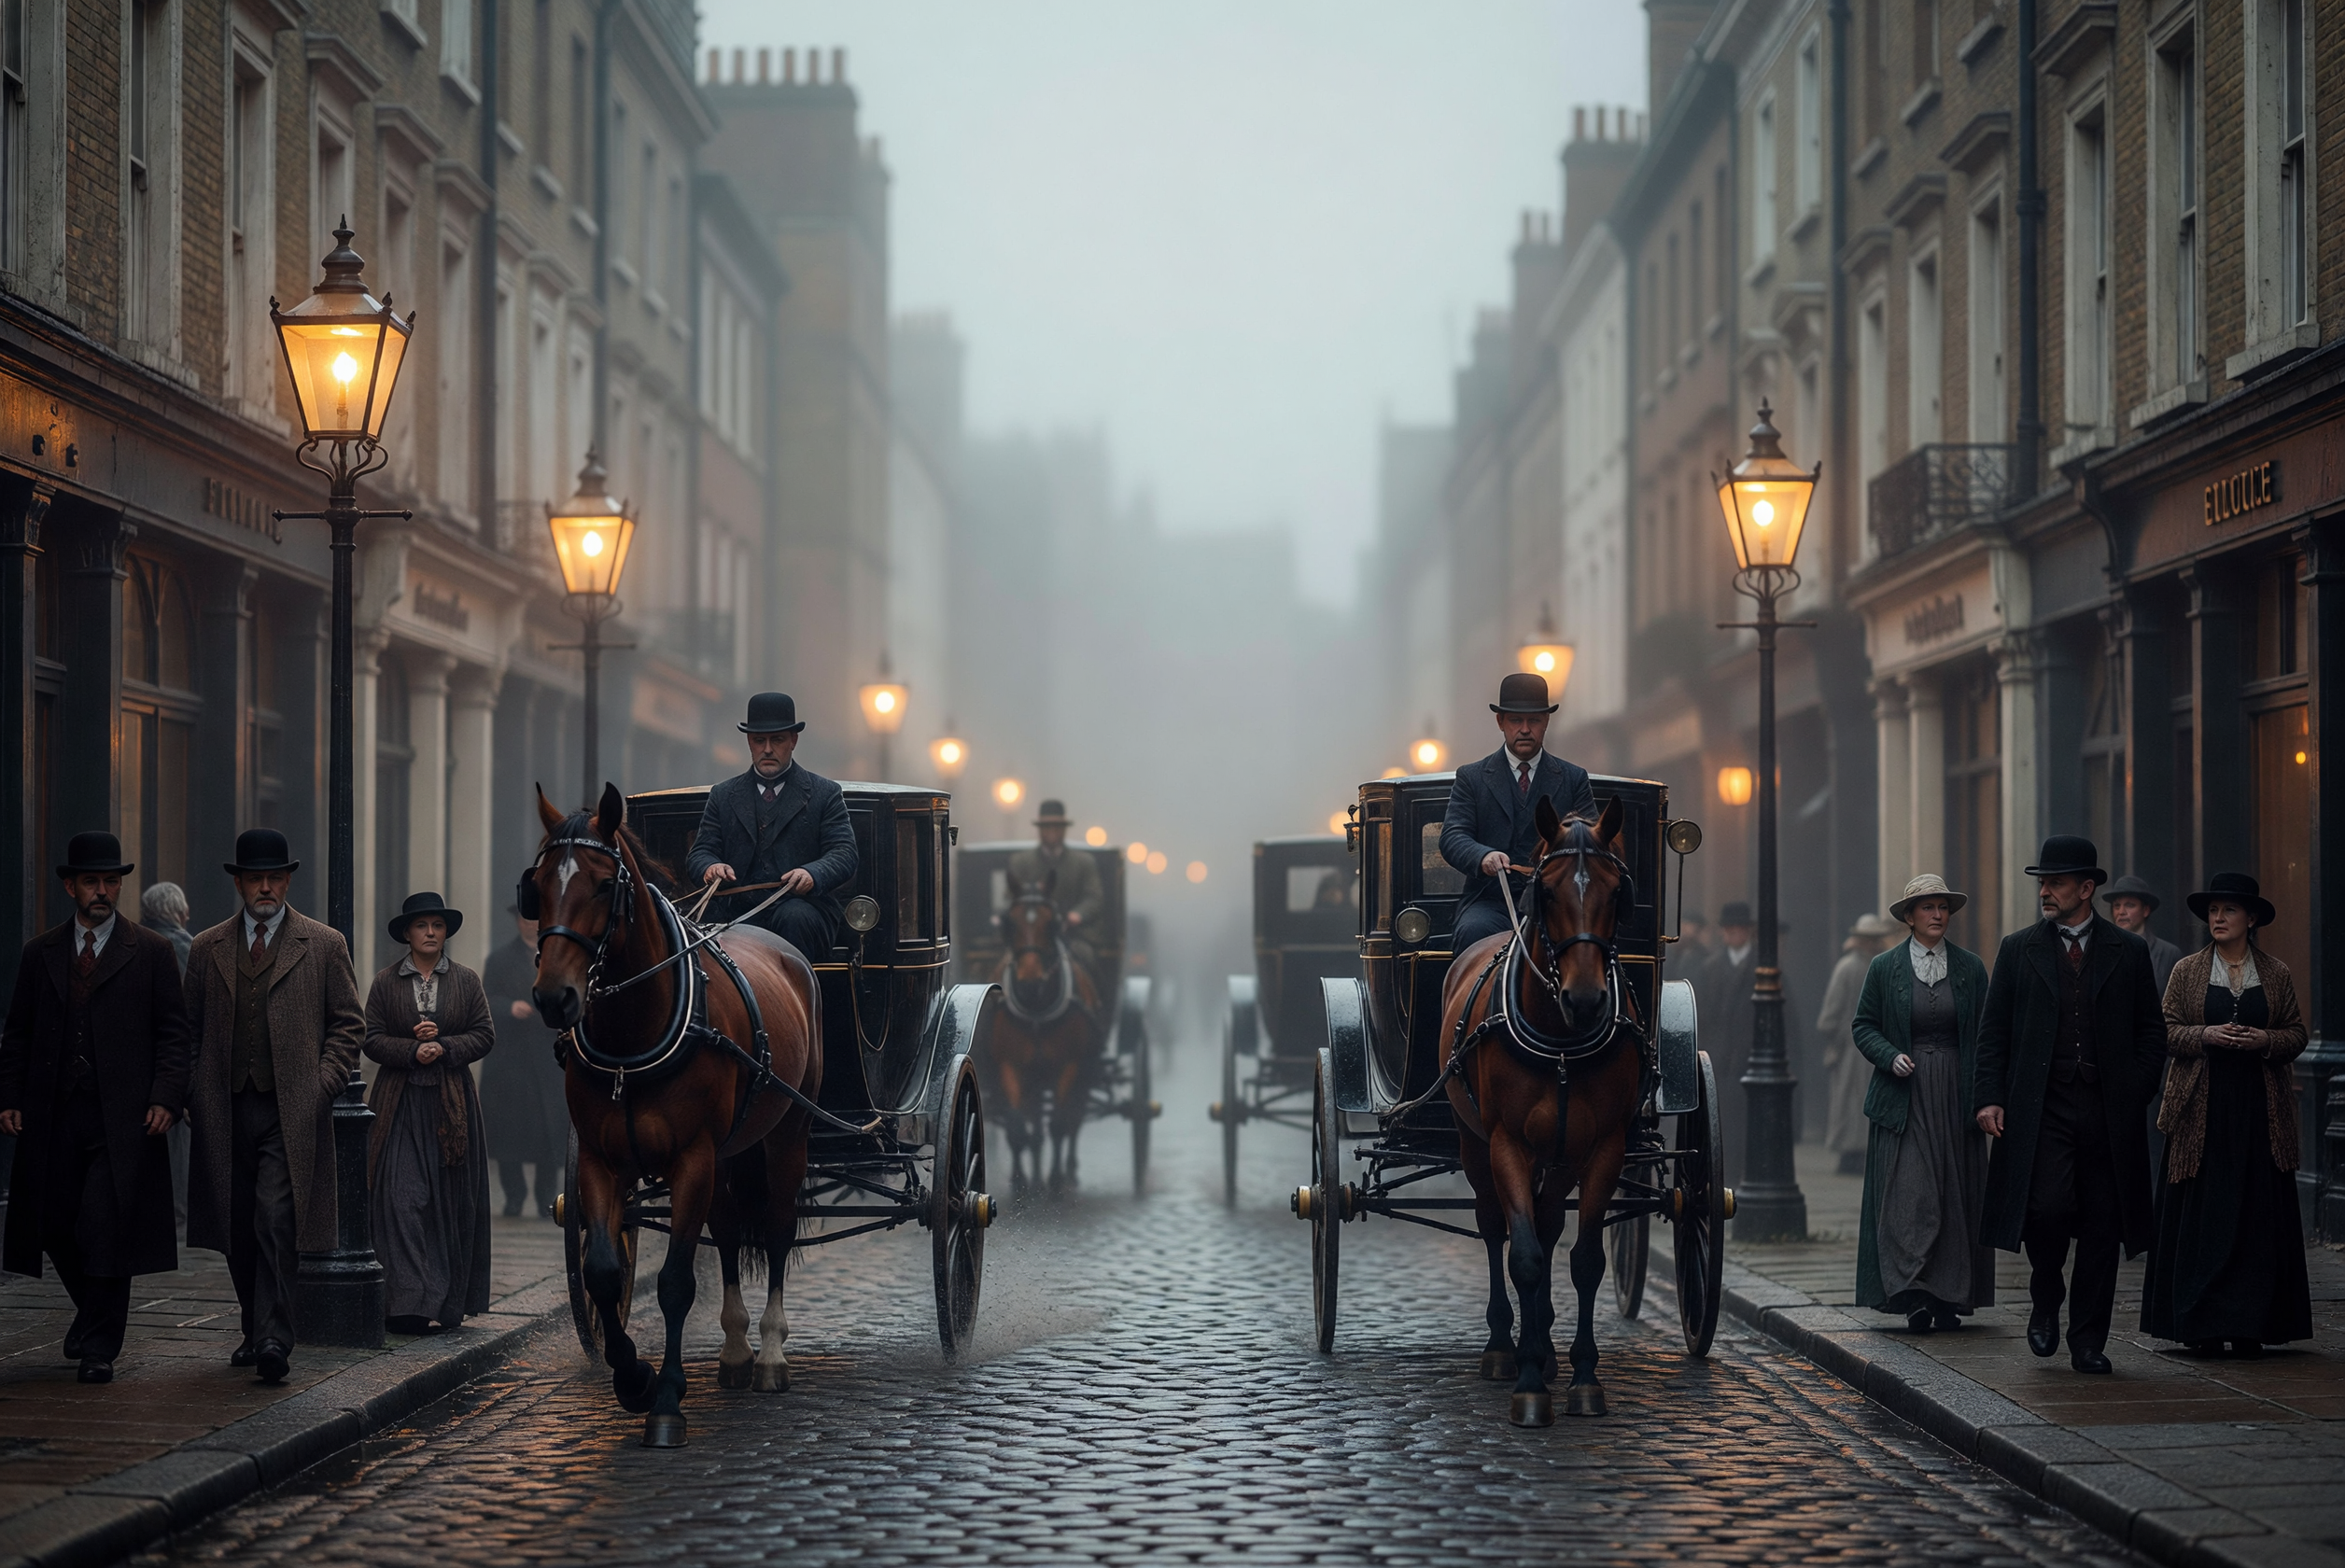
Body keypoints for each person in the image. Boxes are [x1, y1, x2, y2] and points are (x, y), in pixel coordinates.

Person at [0, 833, 190, 1384]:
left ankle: (101, 1346)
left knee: (105, 1225)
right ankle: (91, 1312)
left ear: (120, 886)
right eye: (91, 882)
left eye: (111, 881)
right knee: (55, 1223)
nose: (102, 891)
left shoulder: (150, 952)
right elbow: (19, 1034)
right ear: (70, 887)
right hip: (54, 1113)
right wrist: (8, 1097)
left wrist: (166, 1097)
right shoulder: (41, 953)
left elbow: (175, 1036)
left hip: (124, 1118)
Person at [1973, 835, 2167, 1375]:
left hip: (2110, 1112)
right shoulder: (2019, 948)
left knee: (2105, 1224)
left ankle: (2088, 1341)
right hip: (2042, 1108)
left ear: (2087, 889)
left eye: (2055, 882)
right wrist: (1989, 1096)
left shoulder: (2127, 952)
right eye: (2042, 882)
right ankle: (2045, 1293)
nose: (2045, 891)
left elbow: (2152, 1032)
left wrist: (2136, 1089)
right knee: (2047, 1210)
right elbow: (1995, 1034)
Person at [183, 829, 365, 1384]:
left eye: (275, 877)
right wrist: (194, 1089)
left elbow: (348, 1025)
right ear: (238, 883)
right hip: (223, 1108)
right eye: (255, 878)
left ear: (288, 880)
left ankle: (274, 1338)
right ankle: (252, 1324)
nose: (266, 887)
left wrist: (321, 1084)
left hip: (290, 1111)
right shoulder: (206, 946)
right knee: (236, 1223)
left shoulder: (323, 943)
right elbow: (186, 1031)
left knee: (276, 1218)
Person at [2141, 872, 2312, 1356]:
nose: (2218, 918)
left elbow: (2296, 1033)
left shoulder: (2274, 972)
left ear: (2250, 919)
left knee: (2255, 1214)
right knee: (2206, 1214)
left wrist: (2265, 1041)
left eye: (2229, 910)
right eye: (2213, 911)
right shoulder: (2188, 971)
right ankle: (2203, 1324)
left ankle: (2250, 1322)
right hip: (2202, 1109)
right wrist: (2206, 1036)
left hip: (2260, 1111)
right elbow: (2166, 1031)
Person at [1852, 875, 1995, 1333]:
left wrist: (1987, 1096)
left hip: (1956, 1092)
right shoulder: (1884, 967)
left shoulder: (1971, 968)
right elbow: (1863, 1026)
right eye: (1927, 908)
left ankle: (1948, 1299)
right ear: (1909, 917)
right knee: (1910, 1194)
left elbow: (1988, 1037)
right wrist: (1889, 1055)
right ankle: (1913, 1294)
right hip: (1904, 1097)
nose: (1937, 915)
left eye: (1943, 907)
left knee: (1954, 1193)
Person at [364, 892, 495, 1335]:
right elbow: (372, 1038)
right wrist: (412, 1049)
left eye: (437, 925)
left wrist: (445, 1046)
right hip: (398, 1104)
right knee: (402, 1200)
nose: (431, 933)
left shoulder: (466, 980)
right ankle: (407, 1304)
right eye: (422, 926)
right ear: (407, 933)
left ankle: (441, 1300)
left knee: (447, 1203)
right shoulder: (385, 982)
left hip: (450, 1105)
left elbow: (484, 1035)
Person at [688, 692, 860, 960]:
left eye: (777, 740)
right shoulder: (722, 795)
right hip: (736, 911)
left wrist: (812, 873)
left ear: (793, 741)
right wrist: (710, 866)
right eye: (759, 740)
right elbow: (701, 852)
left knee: (795, 917)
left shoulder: (825, 794)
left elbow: (844, 853)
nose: (767, 749)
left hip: (802, 909)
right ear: (749, 742)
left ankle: (800, 999)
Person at [1439, 671, 1597, 959]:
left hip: (1558, 904)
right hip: (1490, 904)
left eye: (1534, 721)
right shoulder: (1471, 778)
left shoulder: (1574, 779)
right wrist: (1483, 856)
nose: (1525, 729)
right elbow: (1453, 836)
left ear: (1546, 722)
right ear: (1501, 722)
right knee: (1472, 932)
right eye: (1516, 721)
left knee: (1593, 943)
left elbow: (1592, 838)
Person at [482, 903, 565, 1218]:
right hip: (510, 1060)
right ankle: (514, 1197)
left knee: (549, 1131)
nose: (531, 925)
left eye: (537, 919)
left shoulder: (558, 956)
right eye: (526, 918)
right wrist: (509, 1007)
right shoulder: (500, 959)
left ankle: (547, 1198)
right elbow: (485, 998)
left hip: (548, 1057)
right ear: (517, 922)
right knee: (509, 1133)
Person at [1820, 912, 1902, 1175]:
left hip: (1865, 1047)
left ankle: (1858, 1154)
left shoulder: (1873, 967)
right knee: (1853, 1102)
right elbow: (1830, 1017)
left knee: (1857, 1102)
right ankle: (1853, 1155)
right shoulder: (1857, 967)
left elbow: (1828, 1018)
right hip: (1859, 1047)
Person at [140, 881, 195, 1231]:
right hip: (178, 1056)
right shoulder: (188, 947)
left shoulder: (133, 944)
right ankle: (176, 1208)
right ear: (179, 913)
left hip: (140, 1057)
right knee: (178, 1135)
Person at [1007, 800, 1105, 981]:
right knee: (1004, 964)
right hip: (1029, 934)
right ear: (1040, 829)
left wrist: (1077, 915)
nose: (1052, 831)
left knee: (1087, 958)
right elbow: (1010, 897)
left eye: (1057, 826)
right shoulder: (1020, 862)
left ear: (1064, 829)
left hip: (1072, 934)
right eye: (1047, 826)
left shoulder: (1083, 862)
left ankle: (1095, 1005)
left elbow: (1094, 897)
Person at [2103, 875, 2183, 998]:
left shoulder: (2168, 954)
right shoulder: (2102, 951)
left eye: (2129, 905)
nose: (2121, 912)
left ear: (2145, 910)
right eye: (2116, 905)